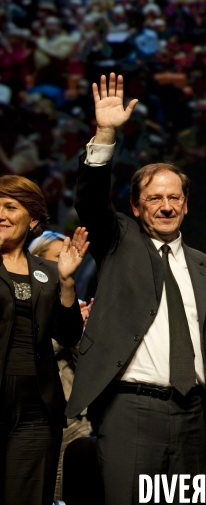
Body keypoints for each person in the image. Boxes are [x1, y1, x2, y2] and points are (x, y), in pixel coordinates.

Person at [66, 73, 206, 505]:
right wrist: (106, 134)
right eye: (153, 199)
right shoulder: (118, 243)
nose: (165, 206)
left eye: (174, 198)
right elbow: (91, 201)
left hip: (195, 418)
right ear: (135, 206)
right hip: (132, 411)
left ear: (186, 205)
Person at [0, 174, 87, 505]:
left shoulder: (47, 272)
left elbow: (67, 334)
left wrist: (66, 282)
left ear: (33, 218)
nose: (1, 214)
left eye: (11, 206)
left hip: (37, 408)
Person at [28, 229, 93, 502]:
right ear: (38, 261)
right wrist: (64, 332)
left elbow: (88, 366)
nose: (65, 263)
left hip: (75, 418)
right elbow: (29, 353)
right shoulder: (23, 301)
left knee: (75, 490)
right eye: (57, 257)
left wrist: (82, 330)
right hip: (33, 416)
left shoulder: (76, 303)